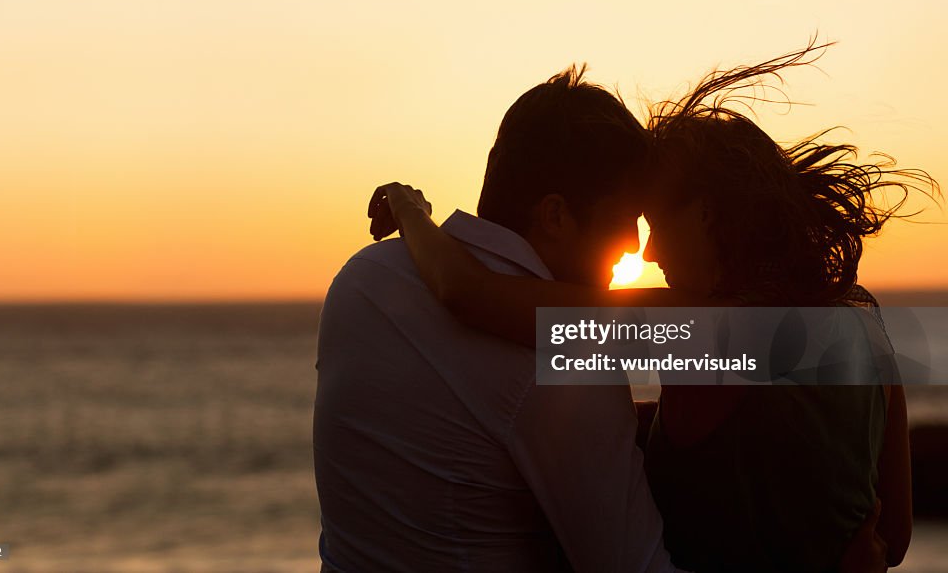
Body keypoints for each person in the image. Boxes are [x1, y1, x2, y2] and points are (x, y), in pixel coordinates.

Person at [368, 42, 931, 571]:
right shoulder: (863, 323)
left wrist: (410, 210)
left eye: (658, 223)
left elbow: (470, 293)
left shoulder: (702, 335)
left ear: (709, 216)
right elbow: (896, 537)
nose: (650, 250)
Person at [314, 67, 682, 572]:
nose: (635, 246)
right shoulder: (569, 368)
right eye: (624, 218)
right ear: (554, 215)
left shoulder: (362, 280)